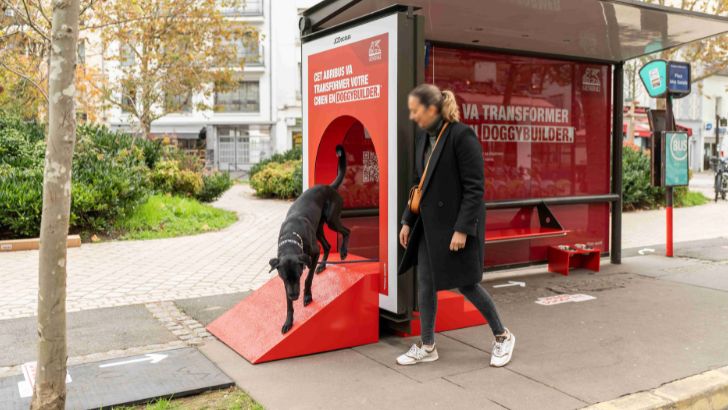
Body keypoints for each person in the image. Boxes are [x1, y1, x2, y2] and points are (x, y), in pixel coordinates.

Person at [396, 83, 515, 367]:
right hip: (428, 225)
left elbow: (475, 188)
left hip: (456, 226)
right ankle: (427, 346)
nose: (414, 117)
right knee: (425, 284)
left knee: (466, 283)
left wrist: (462, 228)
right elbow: (419, 184)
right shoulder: (424, 139)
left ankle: (503, 336)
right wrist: (407, 221)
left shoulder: (462, 136)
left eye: (417, 111)